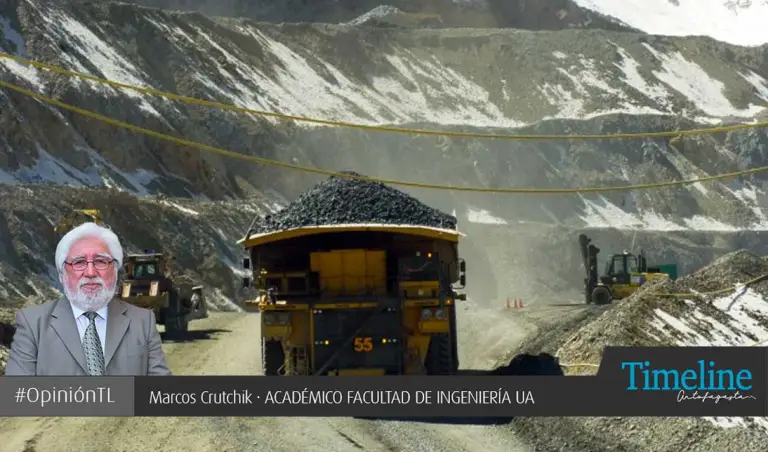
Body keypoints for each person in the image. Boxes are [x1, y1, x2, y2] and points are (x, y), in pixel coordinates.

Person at [5, 222, 171, 376]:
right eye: (79, 262)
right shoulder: (33, 325)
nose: (90, 272)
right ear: (62, 275)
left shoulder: (143, 322)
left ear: (114, 271)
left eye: (101, 261)